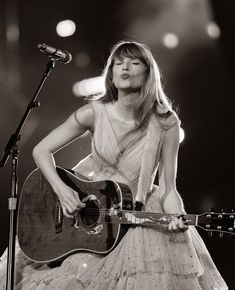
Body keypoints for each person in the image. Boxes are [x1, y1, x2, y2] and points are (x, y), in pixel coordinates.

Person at [0, 40, 228, 289]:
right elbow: (41, 150)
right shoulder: (94, 112)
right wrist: (63, 191)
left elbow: (168, 188)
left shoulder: (165, 122)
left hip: (135, 214)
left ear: (148, 71)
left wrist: (177, 218)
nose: (124, 68)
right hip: (86, 213)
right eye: (117, 63)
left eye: (133, 62)